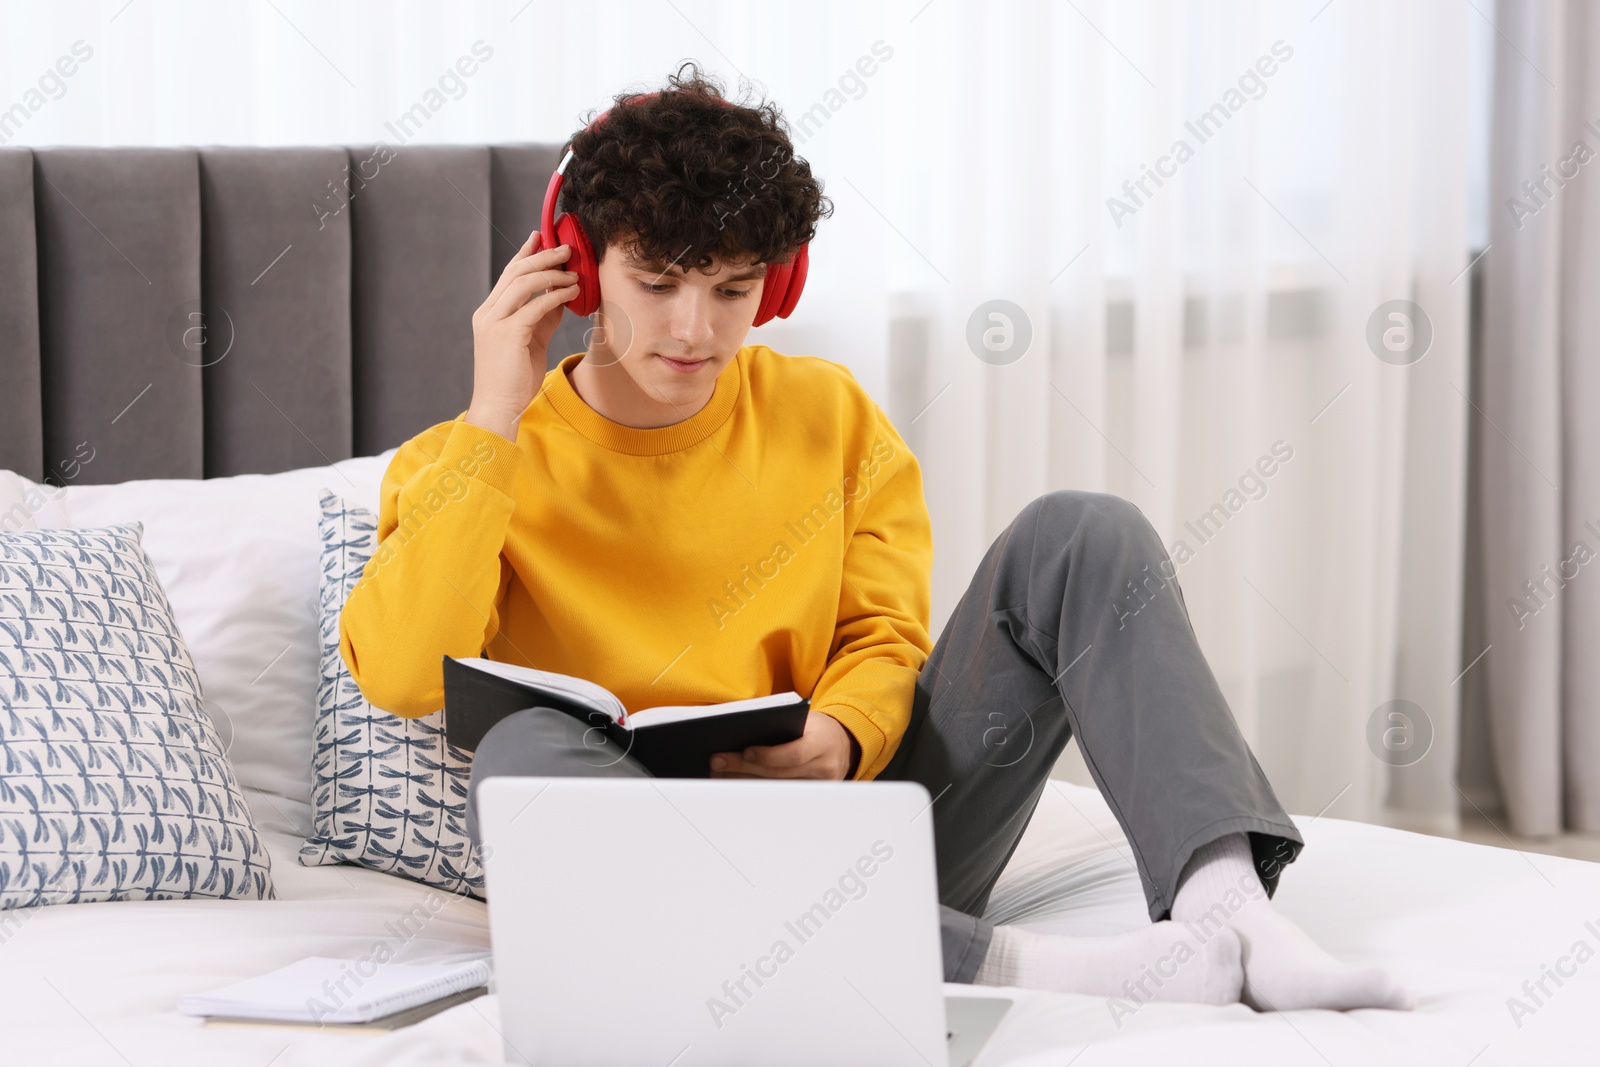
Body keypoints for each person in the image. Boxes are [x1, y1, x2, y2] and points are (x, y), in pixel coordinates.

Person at [339, 62, 1412, 1014]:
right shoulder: (465, 457)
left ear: (779, 281)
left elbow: (883, 632)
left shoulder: (829, 413)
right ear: (576, 266)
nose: (694, 329)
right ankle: (1028, 968)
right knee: (523, 753)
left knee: (1080, 530)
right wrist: (494, 419)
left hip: (865, 843)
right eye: (656, 282)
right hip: (657, 884)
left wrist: (844, 735)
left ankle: (1236, 921)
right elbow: (396, 671)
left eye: (732, 288)